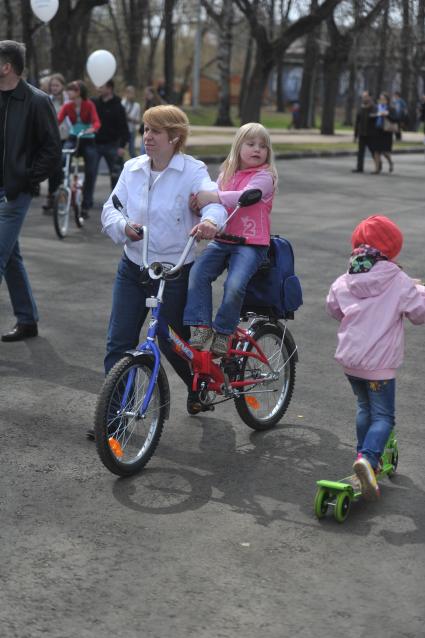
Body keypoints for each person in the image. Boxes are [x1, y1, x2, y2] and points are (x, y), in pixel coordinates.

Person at [93, 104, 227, 437]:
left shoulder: (192, 171)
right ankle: (115, 417)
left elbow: (213, 202)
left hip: (174, 272)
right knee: (119, 343)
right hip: (133, 268)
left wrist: (210, 221)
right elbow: (112, 209)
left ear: (175, 137)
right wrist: (124, 227)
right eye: (145, 130)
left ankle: (199, 387)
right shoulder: (132, 169)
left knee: (173, 342)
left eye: (155, 131)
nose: (147, 137)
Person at [326, 215, 425, 500]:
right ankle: (368, 460)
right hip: (379, 365)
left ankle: (363, 454)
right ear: (393, 248)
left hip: (351, 361)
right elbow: (419, 313)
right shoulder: (398, 279)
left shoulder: (346, 278)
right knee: (383, 416)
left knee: (364, 408)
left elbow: (334, 308)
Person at [183, 122, 278, 356]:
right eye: (251, 144)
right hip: (223, 240)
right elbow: (214, 204)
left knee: (234, 285)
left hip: (251, 244)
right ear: (238, 147)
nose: (257, 149)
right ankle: (202, 326)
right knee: (197, 274)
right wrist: (200, 205)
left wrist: (211, 196)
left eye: (263, 146)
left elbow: (246, 196)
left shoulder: (265, 177)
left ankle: (224, 331)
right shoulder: (226, 175)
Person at [0, 40, 61, 342]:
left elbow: (52, 149)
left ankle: (26, 319)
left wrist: (26, 178)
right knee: (10, 257)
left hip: (14, 193)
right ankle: (27, 320)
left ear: (6, 66)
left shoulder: (37, 101)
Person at [57, 80, 101, 218]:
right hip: (73, 138)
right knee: (63, 158)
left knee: (91, 170)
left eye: (71, 90)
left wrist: (93, 128)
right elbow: (57, 120)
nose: (68, 92)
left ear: (79, 92)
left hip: (88, 140)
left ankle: (86, 204)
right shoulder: (67, 106)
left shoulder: (89, 104)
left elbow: (96, 121)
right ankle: (65, 187)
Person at [92, 80, 129, 196]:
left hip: (113, 145)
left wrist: (122, 146)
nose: (99, 89)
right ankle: (86, 203)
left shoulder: (118, 106)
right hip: (95, 144)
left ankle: (117, 200)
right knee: (90, 174)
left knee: (116, 175)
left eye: (102, 86)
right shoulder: (95, 104)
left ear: (109, 88)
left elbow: (124, 127)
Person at [42, 73, 70, 213]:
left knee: (62, 167)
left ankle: (63, 196)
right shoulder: (47, 100)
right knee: (53, 167)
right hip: (53, 138)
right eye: (52, 85)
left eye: (56, 85)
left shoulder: (68, 100)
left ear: (62, 86)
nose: (54, 88)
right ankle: (51, 195)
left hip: (67, 137)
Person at [370, 92, 396, 174]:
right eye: (380, 99)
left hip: (386, 132)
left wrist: (387, 115)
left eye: (383, 99)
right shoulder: (376, 107)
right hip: (377, 131)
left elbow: (395, 119)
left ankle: (390, 162)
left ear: (387, 100)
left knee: (385, 152)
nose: (382, 100)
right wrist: (377, 115)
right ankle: (377, 169)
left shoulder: (391, 108)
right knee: (376, 151)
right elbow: (371, 116)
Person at [352, 91, 377, 174]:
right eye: (363, 97)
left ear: (369, 97)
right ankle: (359, 167)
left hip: (371, 134)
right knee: (360, 152)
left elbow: (376, 119)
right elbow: (357, 122)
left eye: (365, 96)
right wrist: (355, 136)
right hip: (362, 133)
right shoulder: (361, 108)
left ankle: (378, 166)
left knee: (373, 151)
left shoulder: (373, 107)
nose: (364, 98)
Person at [139, 86, 165, 154]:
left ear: (153, 93)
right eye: (146, 94)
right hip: (147, 129)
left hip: (155, 129)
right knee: (144, 150)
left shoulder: (158, 103)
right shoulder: (147, 103)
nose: (146, 96)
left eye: (148, 94)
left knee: (148, 150)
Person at [121, 85, 141, 158]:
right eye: (129, 93)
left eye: (132, 93)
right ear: (126, 93)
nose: (131, 95)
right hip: (122, 130)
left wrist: (130, 119)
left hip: (131, 130)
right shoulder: (122, 103)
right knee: (120, 148)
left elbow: (138, 120)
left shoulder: (137, 105)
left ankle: (136, 164)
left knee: (131, 149)